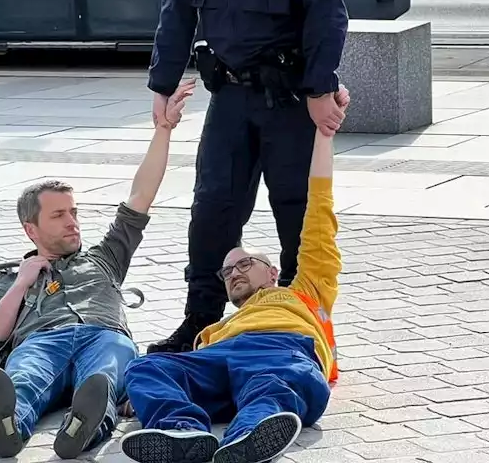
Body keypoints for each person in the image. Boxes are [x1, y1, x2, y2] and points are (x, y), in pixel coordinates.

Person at [145, 0, 350, 355]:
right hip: (230, 99)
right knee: (212, 211)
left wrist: (320, 87)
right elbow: (177, 9)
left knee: (297, 213)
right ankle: (199, 320)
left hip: (288, 101)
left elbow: (327, 12)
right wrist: (164, 84)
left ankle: (304, 323)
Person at [0, 80, 196, 459]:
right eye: (59, 215)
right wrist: (23, 282)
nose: (73, 222)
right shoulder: (5, 278)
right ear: (31, 229)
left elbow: (141, 196)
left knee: (102, 376)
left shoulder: (105, 257)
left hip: (104, 335)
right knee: (24, 378)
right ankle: (5, 427)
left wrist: (163, 129)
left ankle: (82, 427)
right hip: (42, 340)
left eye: (74, 212)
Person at [118, 89, 347, 463]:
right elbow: (178, 373)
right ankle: (182, 432)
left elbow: (319, 212)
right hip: (219, 359)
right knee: (147, 368)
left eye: (245, 263)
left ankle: (251, 436)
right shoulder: (219, 328)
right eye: (227, 272)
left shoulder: (303, 292)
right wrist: (149, 395)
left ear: (273, 272)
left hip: (280, 350)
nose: (234, 272)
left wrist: (324, 135)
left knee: (271, 384)